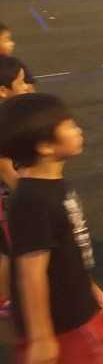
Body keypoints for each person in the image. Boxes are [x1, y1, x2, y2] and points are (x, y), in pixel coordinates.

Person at [0, 93, 103, 362]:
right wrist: (40, 337)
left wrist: (86, 283)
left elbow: (66, 248)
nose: (78, 129)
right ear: (45, 147)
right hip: (68, 320)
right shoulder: (33, 199)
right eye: (69, 125)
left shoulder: (51, 184)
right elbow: (30, 272)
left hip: (74, 307)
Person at [0, 56, 32, 320]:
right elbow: (4, 168)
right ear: (3, 91)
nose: (26, 87)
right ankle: (8, 300)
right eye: (21, 82)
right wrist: (30, 196)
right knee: (10, 250)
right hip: (6, 200)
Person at [0, 22, 37, 93]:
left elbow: (31, 90)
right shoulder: (15, 64)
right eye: (6, 40)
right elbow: (31, 92)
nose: (12, 44)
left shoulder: (15, 63)